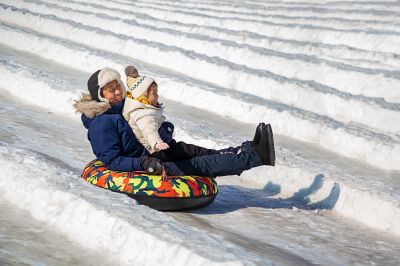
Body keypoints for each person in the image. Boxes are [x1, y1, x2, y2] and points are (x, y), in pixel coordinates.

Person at [75, 68, 275, 178]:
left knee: (196, 151)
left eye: (117, 86)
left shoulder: (123, 106)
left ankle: (245, 150)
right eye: (110, 90)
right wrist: (143, 162)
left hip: (157, 149)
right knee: (198, 164)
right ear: (101, 96)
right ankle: (258, 156)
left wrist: (162, 128)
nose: (117, 92)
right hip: (149, 162)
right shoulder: (101, 124)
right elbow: (112, 160)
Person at [123, 65, 218, 162]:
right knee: (187, 150)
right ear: (143, 97)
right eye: (154, 93)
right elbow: (149, 131)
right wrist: (157, 143)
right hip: (154, 152)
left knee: (170, 129)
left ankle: (217, 155)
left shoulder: (139, 105)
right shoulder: (144, 114)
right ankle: (217, 156)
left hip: (156, 147)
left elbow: (132, 84)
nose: (157, 95)